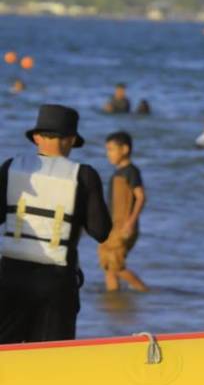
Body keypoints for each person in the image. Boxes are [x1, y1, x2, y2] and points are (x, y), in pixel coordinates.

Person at [0, 105, 111, 343]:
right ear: (71, 140)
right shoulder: (83, 175)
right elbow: (101, 231)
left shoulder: (10, 167)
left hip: (10, 277)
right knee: (50, 356)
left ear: (37, 138)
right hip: (57, 282)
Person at [98, 131, 148, 292]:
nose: (108, 154)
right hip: (113, 226)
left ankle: (145, 291)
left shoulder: (131, 171)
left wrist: (131, 222)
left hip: (123, 226)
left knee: (116, 266)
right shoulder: (117, 173)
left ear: (125, 149)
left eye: (111, 149)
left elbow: (141, 197)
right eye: (107, 150)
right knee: (107, 265)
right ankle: (114, 302)